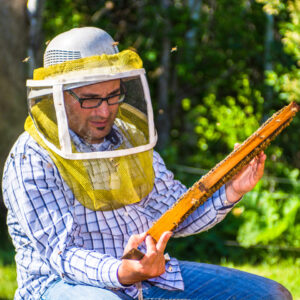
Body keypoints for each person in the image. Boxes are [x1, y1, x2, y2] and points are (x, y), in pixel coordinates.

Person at [2, 27, 292, 300]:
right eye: (90, 99)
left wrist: (231, 189)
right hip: (62, 285)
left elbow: (174, 212)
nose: (105, 110)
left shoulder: (129, 138)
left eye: (113, 95)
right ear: (58, 97)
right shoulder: (32, 158)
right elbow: (60, 254)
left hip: (148, 276)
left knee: (270, 295)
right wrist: (122, 271)